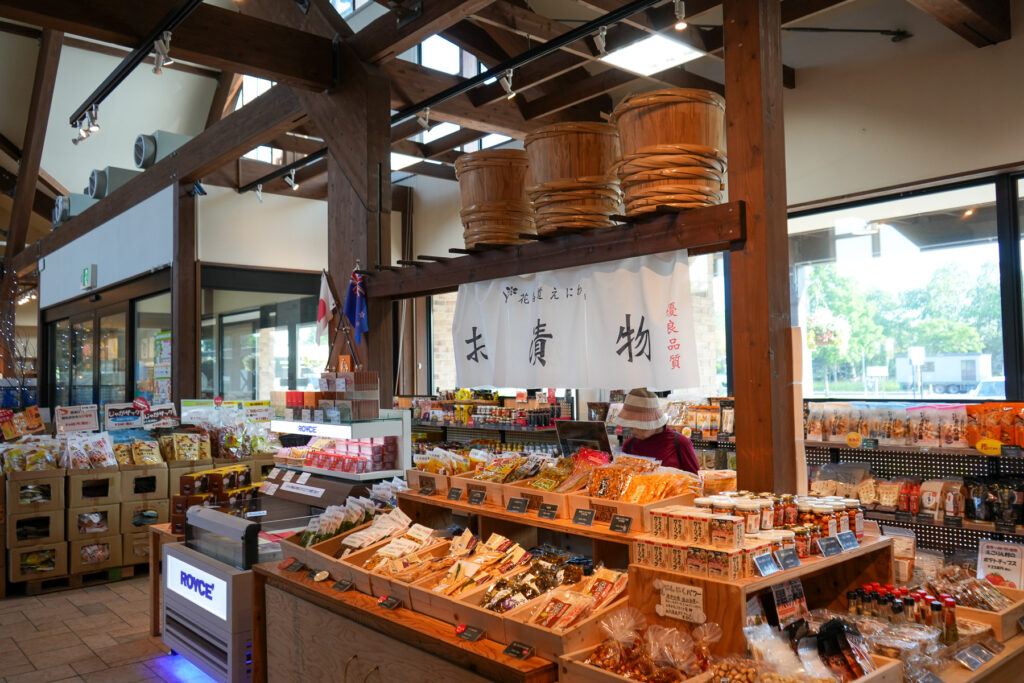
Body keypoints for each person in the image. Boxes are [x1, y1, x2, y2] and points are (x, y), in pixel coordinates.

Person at [611, 388, 699, 474]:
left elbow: (696, 480)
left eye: (635, 423)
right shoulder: (629, 444)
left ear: (653, 422)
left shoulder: (680, 443)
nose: (630, 428)